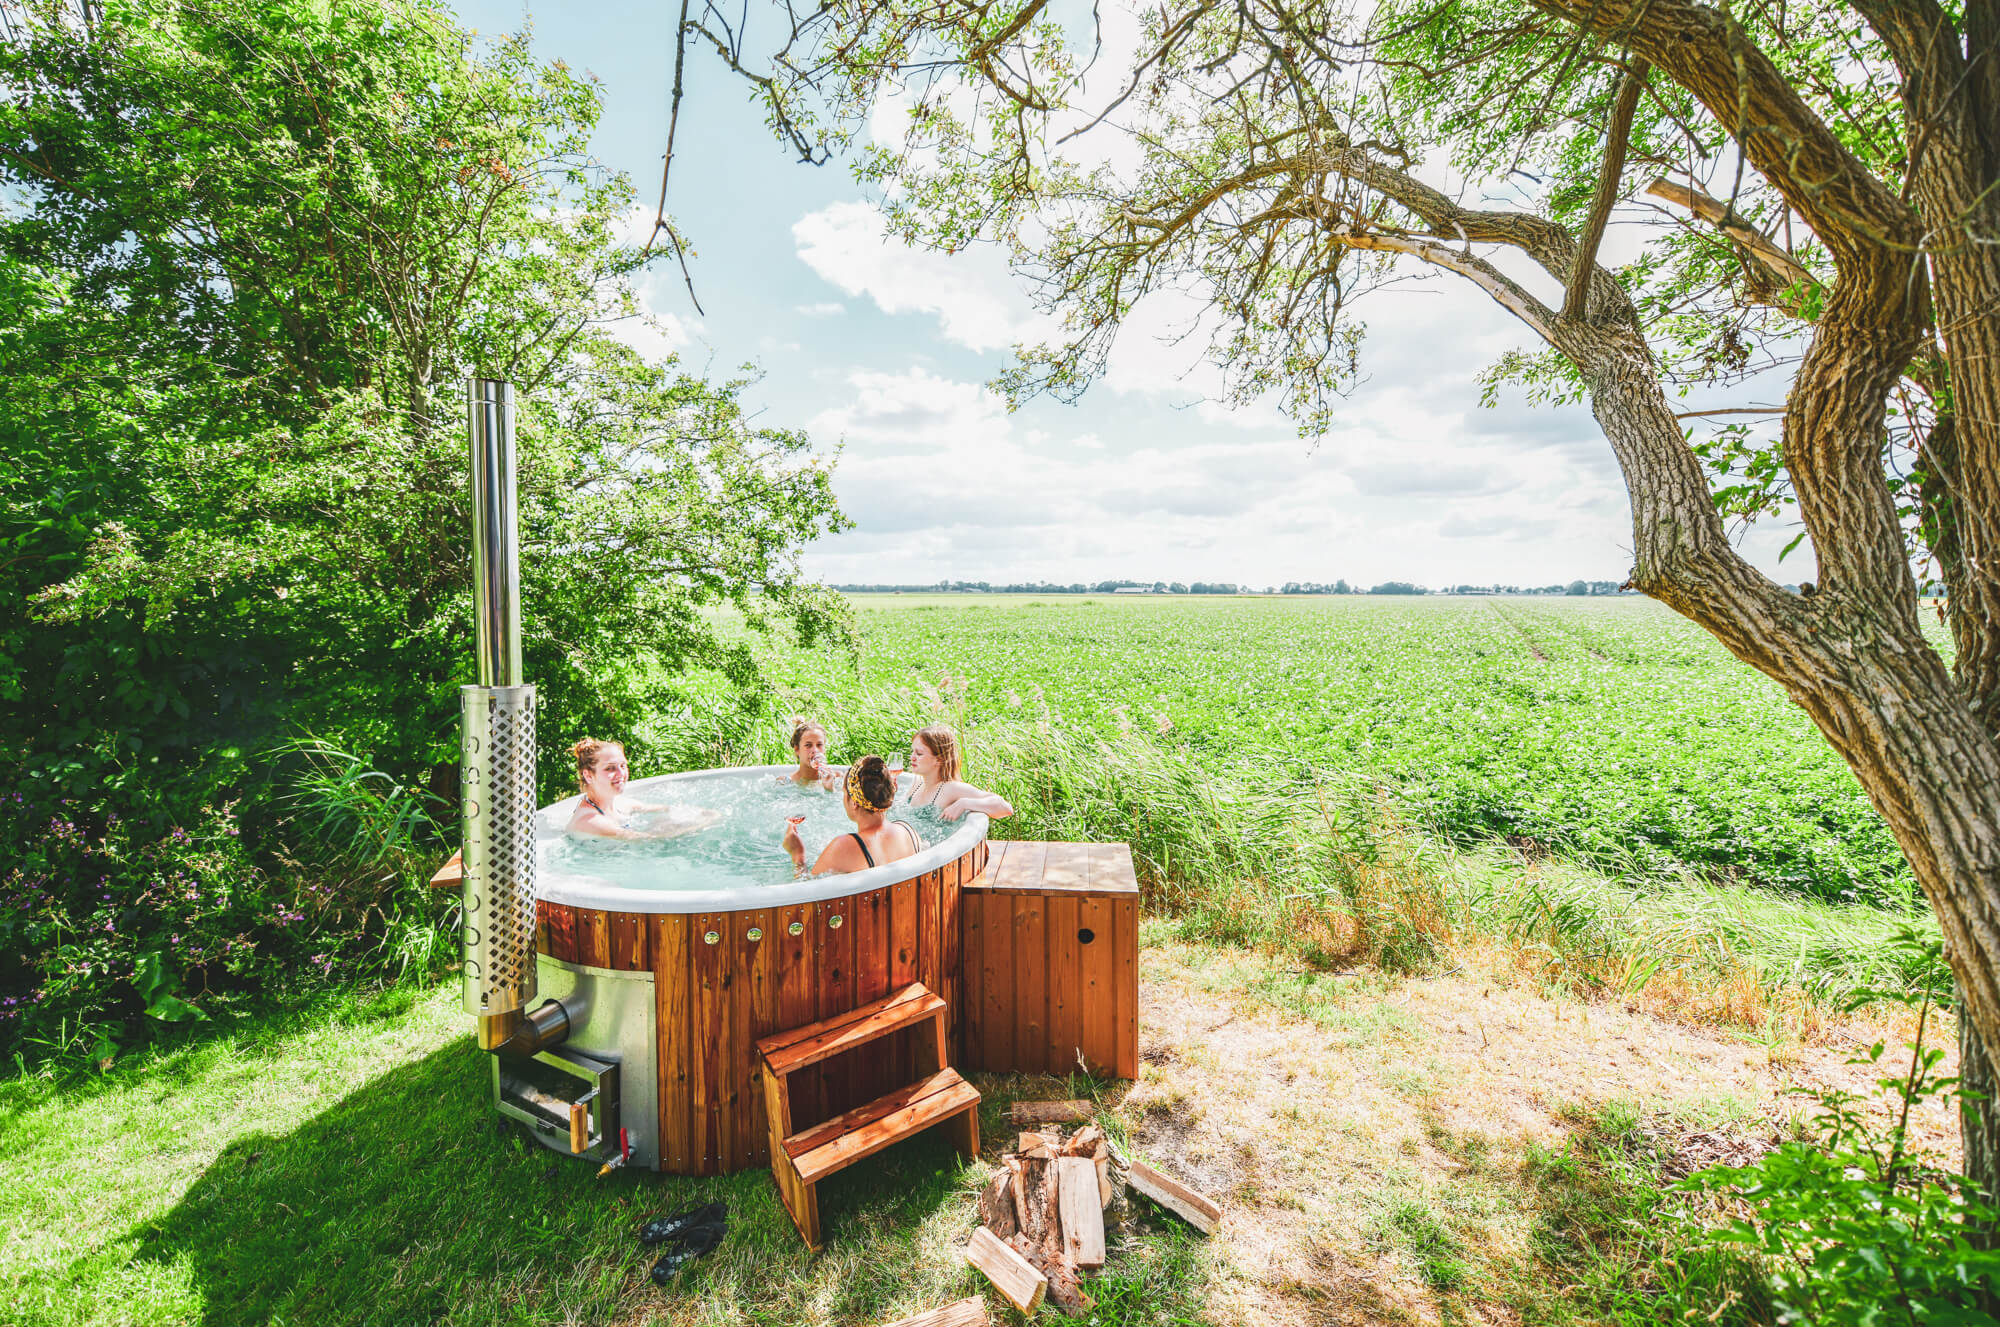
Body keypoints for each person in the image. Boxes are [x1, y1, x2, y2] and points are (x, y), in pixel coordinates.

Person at [781, 756, 919, 876]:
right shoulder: (908, 831)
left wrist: (798, 855)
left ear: (854, 803)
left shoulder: (843, 847)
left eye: (844, 793)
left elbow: (807, 890)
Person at [566, 738, 720, 840]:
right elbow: (647, 840)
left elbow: (667, 809)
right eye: (610, 768)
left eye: (623, 765)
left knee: (662, 820)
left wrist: (700, 812)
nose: (621, 774)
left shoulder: (621, 804)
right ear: (588, 775)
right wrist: (701, 824)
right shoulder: (589, 821)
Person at [905, 724, 1013, 821]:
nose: (912, 757)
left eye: (919, 753)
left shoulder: (950, 788)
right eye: (912, 751)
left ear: (939, 759)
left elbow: (1005, 808)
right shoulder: (917, 783)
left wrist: (964, 803)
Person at [781, 720, 840, 790]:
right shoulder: (784, 783)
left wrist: (830, 789)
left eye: (819, 745)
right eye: (808, 745)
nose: (815, 750)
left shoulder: (837, 779)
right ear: (797, 749)